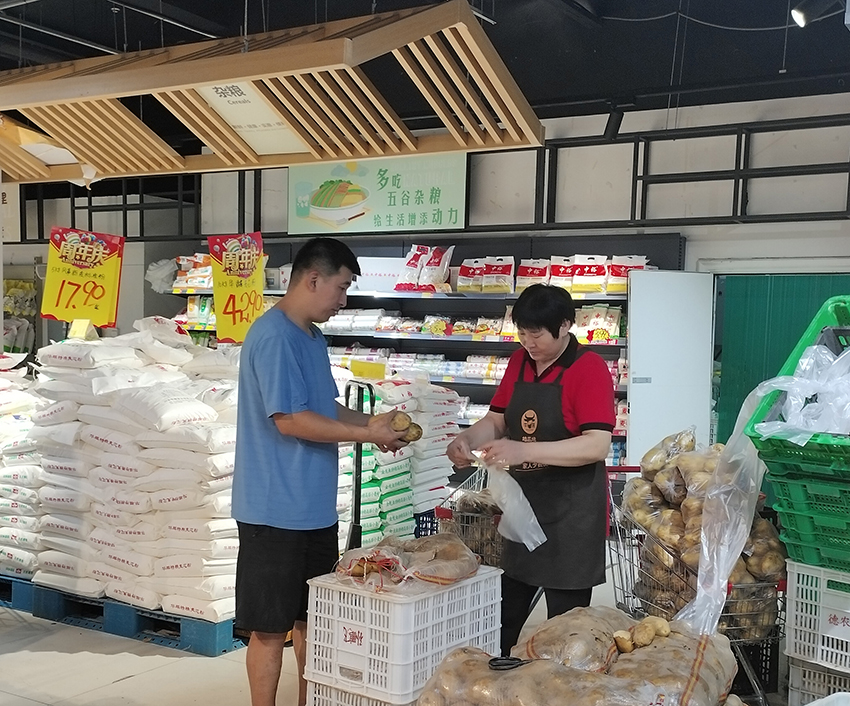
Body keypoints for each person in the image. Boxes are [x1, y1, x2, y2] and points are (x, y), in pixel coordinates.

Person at [231, 237, 408, 706]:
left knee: (314, 621)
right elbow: (291, 421)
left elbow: (323, 407)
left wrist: (372, 424)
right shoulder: (273, 337)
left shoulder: (311, 337)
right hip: (273, 511)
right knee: (270, 628)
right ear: (313, 279)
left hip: (314, 510)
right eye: (342, 287)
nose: (343, 299)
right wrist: (366, 435)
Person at [446, 283, 614, 656]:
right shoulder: (520, 362)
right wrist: (468, 438)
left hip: (571, 517)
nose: (528, 343)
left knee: (566, 632)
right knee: (504, 617)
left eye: (536, 334)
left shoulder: (588, 368)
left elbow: (596, 444)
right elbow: (497, 419)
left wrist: (523, 450)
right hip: (524, 509)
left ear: (565, 325)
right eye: (522, 333)